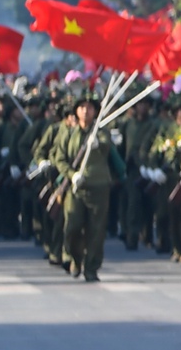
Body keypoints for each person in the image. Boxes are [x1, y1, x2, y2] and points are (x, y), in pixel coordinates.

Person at [43, 94, 122, 284]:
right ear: (76, 111)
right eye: (82, 107)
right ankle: (75, 259)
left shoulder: (100, 131)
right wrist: (72, 175)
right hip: (76, 187)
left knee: (96, 230)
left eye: (90, 108)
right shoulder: (68, 133)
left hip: (98, 186)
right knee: (72, 227)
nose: (86, 111)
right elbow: (59, 158)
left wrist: (98, 143)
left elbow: (106, 145)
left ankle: (92, 268)